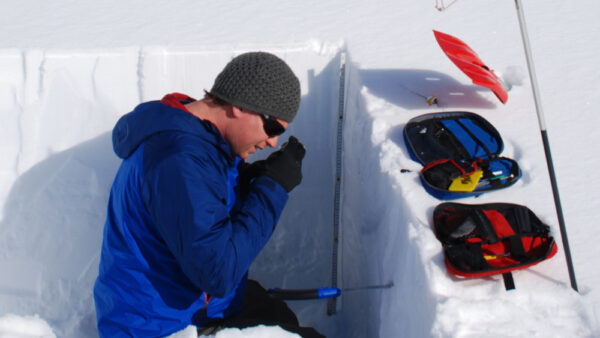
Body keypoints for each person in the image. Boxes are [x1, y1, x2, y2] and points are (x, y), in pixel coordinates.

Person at [93, 52, 324, 337]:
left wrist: (251, 178)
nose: (272, 141)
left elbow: (203, 208)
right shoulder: (179, 159)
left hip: (189, 308)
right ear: (242, 106)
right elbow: (218, 273)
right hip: (157, 328)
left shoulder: (198, 138)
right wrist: (272, 189)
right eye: (272, 127)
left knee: (279, 315)